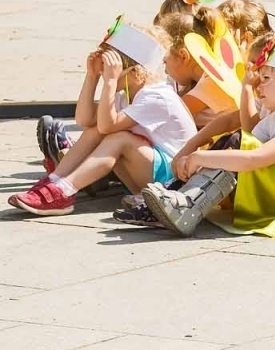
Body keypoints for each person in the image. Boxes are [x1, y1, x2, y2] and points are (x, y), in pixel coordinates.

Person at [146, 29, 275, 237]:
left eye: (265, 78)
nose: (257, 87)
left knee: (237, 144)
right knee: (235, 142)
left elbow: (254, 157)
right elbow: (244, 131)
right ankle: (176, 195)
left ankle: (185, 203)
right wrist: (191, 147)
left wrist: (199, 156)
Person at [10, 19, 195, 217]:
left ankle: (64, 190)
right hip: (153, 174)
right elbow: (85, 120)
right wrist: (92, 77)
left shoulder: (156, 96)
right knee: (96, 130)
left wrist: (110, 81)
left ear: (133, 71)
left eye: (110, 67)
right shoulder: (127, 93)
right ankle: (56, 182)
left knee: (119, 138)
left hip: (175, 180)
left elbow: (108, 127)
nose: (106, 71)